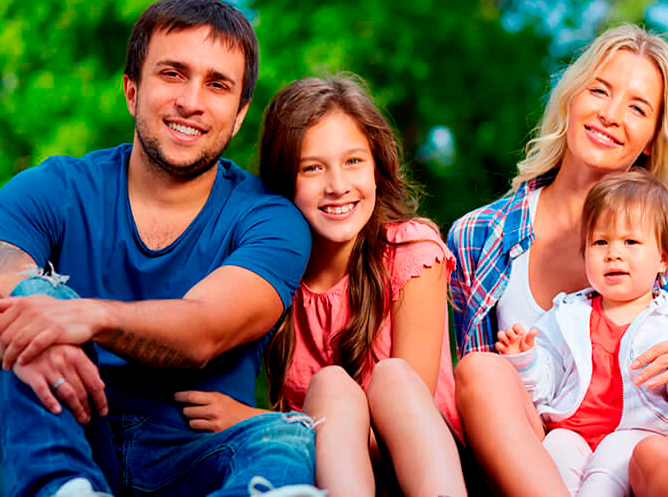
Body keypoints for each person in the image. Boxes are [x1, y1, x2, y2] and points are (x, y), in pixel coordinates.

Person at [0, 0, 321, 497]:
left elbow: (203, 328)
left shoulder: (271, 220)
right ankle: (67, 489)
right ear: (132, 90)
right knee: (33, 301)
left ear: (240, 114)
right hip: (56, 434)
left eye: (217, 85)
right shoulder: (47, 190)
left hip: (188, 457)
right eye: (173, 74)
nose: (192, 101)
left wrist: (87, 317)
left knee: (287, 437)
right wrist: (42, 317)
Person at [447, 23, 668, 496]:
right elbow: (477, 415)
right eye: (599, 90)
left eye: (637, 107)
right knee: (481, 369)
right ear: (570, 98)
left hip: (649, 460)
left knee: (654, 454)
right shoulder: (478, 235)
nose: (610, 114)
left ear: (651, 139)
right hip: (539, 462)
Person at [173, 76, 467, 497]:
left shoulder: (412, 252)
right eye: (312, 168)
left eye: (353, 162)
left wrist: (249, 420)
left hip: (425, 465)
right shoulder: (272, 277)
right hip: (333, 472)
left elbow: (405, 426)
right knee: (330, 385)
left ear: (377, 166)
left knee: (391, 378)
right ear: (282, 182)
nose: (337, 186)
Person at [494, 170, 668, 496]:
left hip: (638, 435)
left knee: (610, 464)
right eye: (600, 241)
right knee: (556, 450)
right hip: (570, 430)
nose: (614, 253)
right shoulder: (564, 315)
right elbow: (544, 388)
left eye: (630, 242)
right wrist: (525, 359)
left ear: (663, 258)